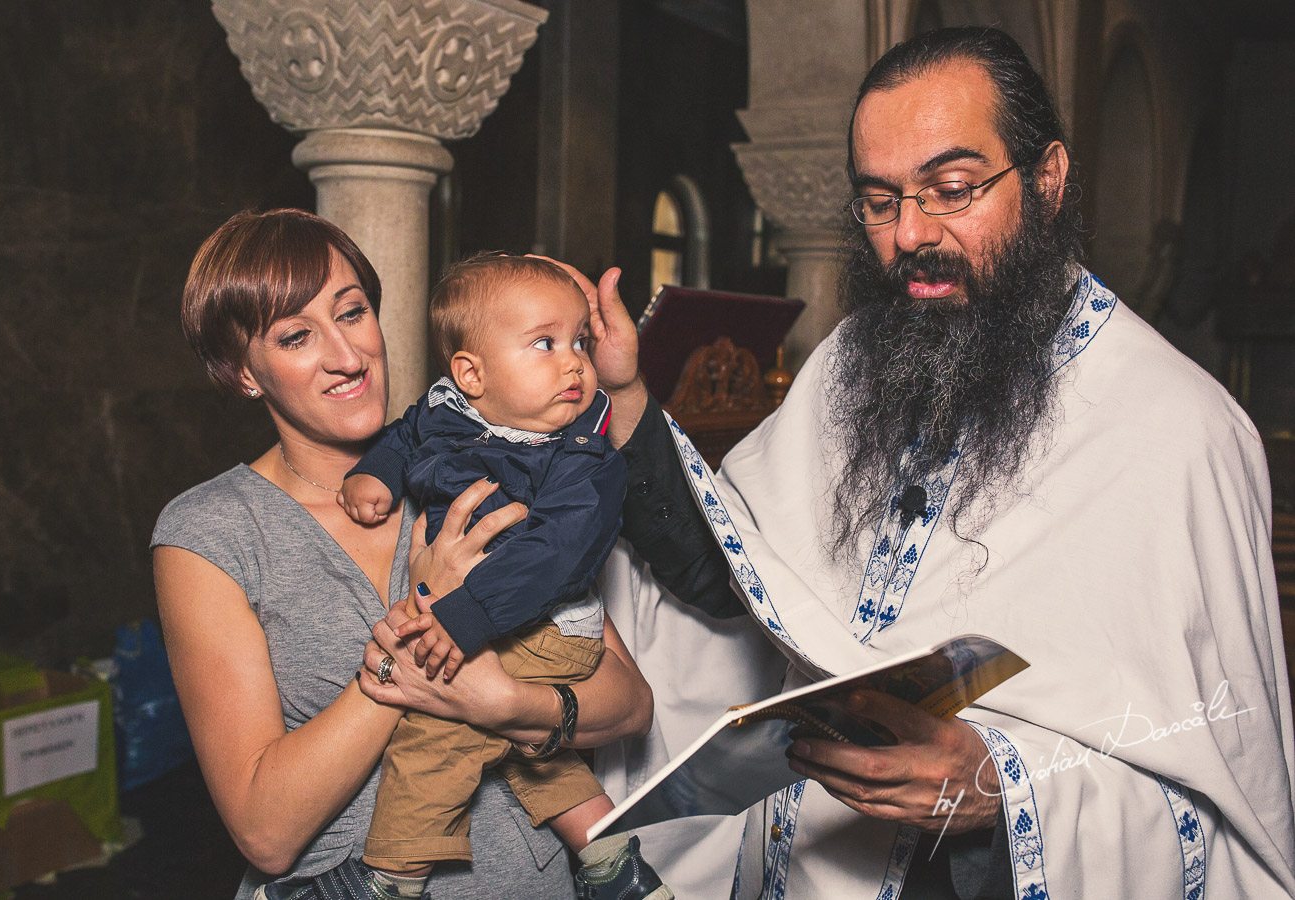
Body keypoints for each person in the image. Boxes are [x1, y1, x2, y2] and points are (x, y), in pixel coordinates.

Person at [569, 26, 1295, 900]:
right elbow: (729, 575)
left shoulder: (1184, 433)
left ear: (1049, 178)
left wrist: (1000, 792)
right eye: (879, 200)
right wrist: (630, 401)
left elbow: (1220, 788)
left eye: (951, 188)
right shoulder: (849, 364)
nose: (910, 232)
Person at [151, 209, 655, 900]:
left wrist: (503, 699)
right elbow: (265, 830)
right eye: (298, 336)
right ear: (244, 372)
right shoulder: (213, 534)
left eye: (352, 312)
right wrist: (420, 623)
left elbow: (628, 705)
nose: (348, 354)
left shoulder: (484, 457)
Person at [335, 254, 670, 900]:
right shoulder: (447, 410)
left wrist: (465, 617)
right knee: (531, 754)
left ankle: (389, 880)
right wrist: (375, 471)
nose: (573, 361)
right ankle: (617, 868)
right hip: (494, 613)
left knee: (438, 732)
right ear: (470, 374)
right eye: (544, 343)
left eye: (578, 341)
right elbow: (407, 435)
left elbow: (552, 555)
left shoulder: (582, 455)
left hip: (539, 620)